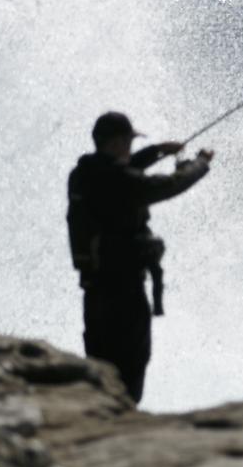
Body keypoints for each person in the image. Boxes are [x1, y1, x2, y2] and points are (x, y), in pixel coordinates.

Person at [66, 111, 213, 404]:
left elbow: (120, 171)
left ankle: (98, 426)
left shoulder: (82, 175)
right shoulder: (121, 182)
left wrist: (157, 151)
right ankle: (118, 430)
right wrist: (199, 163)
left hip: (95, 295)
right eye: (129, 142)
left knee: (101, 372)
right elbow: (171, 184)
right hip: (125, 297)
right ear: (119, 142)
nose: (131, 148)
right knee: (129, 374)